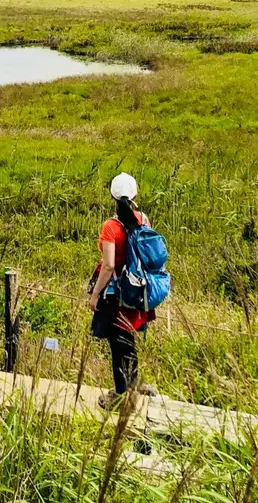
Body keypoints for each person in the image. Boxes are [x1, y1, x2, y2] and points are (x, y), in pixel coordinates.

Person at [88, 172, 156, 409]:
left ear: (112, 195)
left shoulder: (110, 226)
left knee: (119, 345)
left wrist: (95, 295)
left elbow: (108, 266)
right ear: (135, 194)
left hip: (117, 295)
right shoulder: (143, 219)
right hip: (138, 291)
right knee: (129, 341)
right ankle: (134, 384)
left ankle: (120, 396)